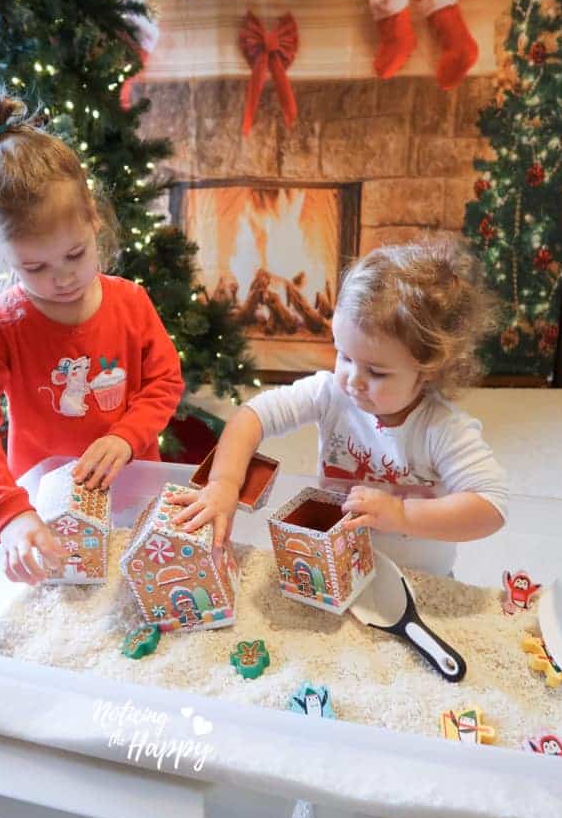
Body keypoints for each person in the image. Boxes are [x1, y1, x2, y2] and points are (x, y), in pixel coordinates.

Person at [0, 86, 185, 585]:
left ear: (94, 220)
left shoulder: (131, 303)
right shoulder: (0, 328)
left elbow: (164, 382)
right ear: (3, 259)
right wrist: (9, 514)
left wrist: (128, 435)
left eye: (75, 254)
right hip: (46, 505)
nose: (62, 278)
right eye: (34, 266)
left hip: (133, 490)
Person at [169, 237, 508, 576]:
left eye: (376, 372)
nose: (353, 380)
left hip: (420, 577)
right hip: (338, 565)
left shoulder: (443, 428)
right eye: (344, 356)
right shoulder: (330, 392)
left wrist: (401, 515)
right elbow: (252, 416)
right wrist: (224, 483)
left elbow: (491, 506)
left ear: (429, 369)